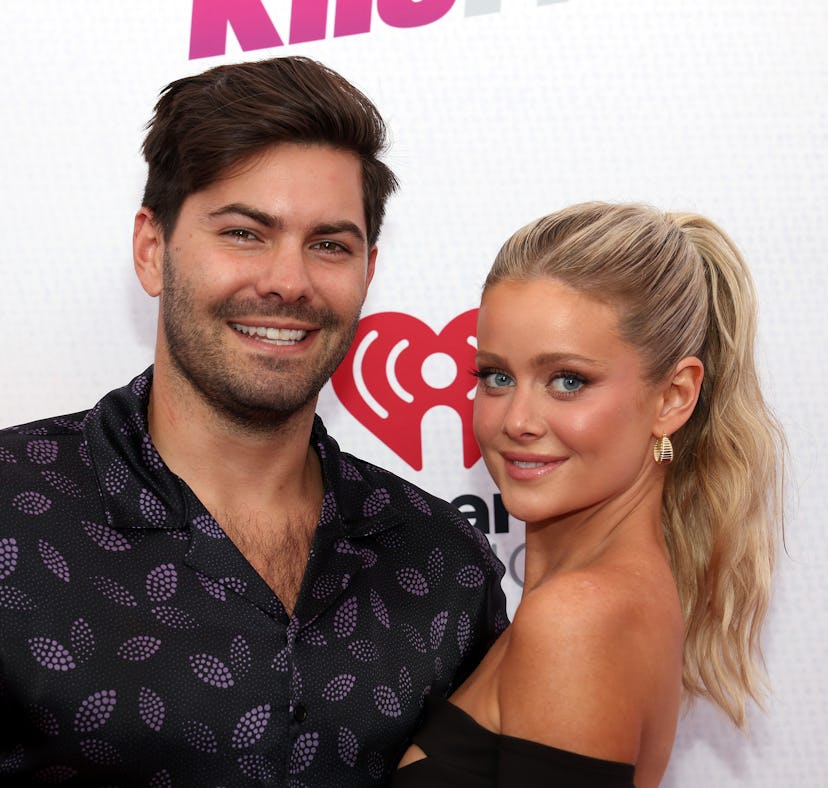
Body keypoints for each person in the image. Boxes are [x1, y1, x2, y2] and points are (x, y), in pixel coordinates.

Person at [0, 57, 507, 786]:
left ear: (368, 271)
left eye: (329, 245)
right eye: (244, 233)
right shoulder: (14, 511)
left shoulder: (442, 563)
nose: (288, 282)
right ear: (152, 250)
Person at [393, 202, 784, 787]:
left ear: (674, 397)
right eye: (496, 377)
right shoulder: (616, 598)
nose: (517, 420)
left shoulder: (576, 620)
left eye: (568, 381)